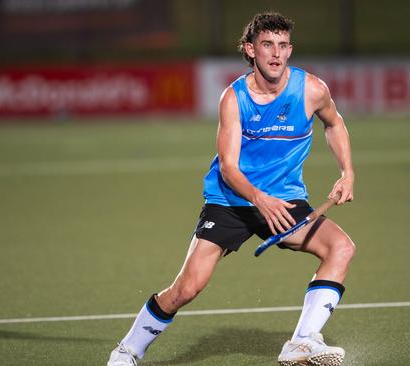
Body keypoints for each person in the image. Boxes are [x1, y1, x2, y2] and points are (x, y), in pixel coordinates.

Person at [107, 11, 355, 366]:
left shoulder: (312, 90)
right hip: (232, 200)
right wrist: (258, 199)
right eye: (267, 44)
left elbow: (335, 123)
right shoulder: (234, 98)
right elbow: (228, 167)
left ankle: (301, 341)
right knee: (187, 288)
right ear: (250, 49)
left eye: (283, 46)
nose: (276, 54)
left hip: (284, 199)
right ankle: (128, 350)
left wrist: (346, 171)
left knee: (341, 248)